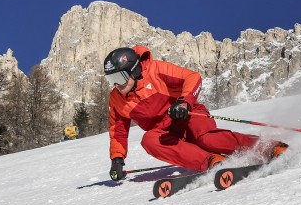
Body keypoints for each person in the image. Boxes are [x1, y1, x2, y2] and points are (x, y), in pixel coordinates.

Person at [104, 45, 288, 181]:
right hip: (167, 134)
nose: (117, 84)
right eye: (112, 79)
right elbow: (118, 131)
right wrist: (117, 159)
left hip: (187, 116)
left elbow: (192, 77)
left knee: (208, 139)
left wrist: (184, 102)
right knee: (149, 140)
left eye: (120, 77)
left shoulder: (155, 70)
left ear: (134, 71)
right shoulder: (117, 99)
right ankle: (212, 162)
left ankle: (270, 147)